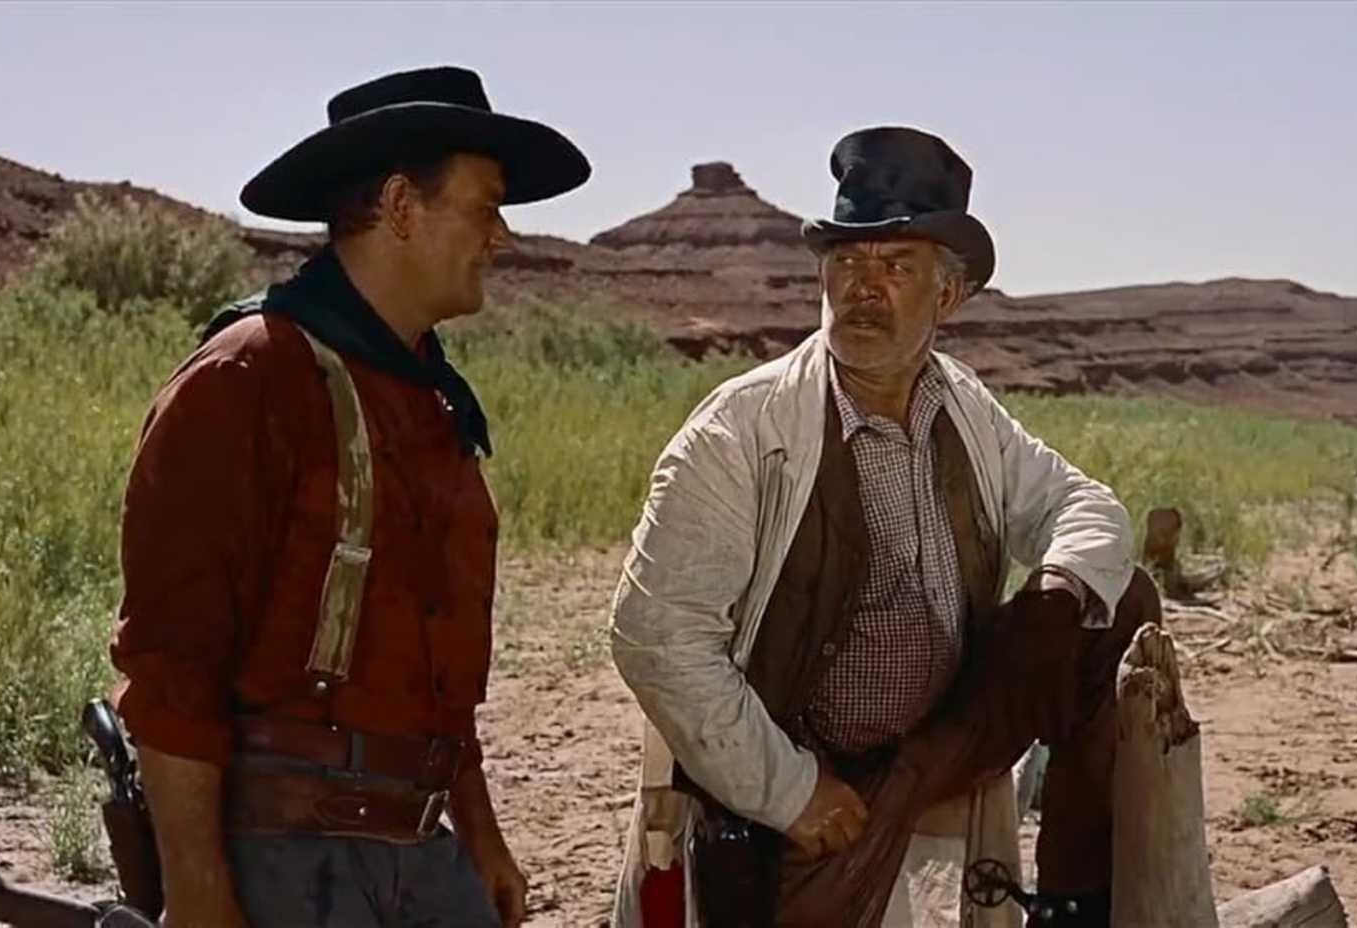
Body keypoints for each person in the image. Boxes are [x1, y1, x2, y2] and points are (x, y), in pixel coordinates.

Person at [609, 125, 1157, 927]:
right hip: (810, 765)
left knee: (1117, 601)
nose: (863, 289)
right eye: (846, 264)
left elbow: (1085, 504)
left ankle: (1071, 907)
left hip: (948, 731)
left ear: (946, 296)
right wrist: (790, 792)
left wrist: (1056, 590)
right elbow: (654, 635)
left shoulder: (963, 404)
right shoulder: (744, 430)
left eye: (895, 266)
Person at [108, 65, 589, 928]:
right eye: (485, 206)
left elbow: (436, 668)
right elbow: (171, 666)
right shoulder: (247, 378)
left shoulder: (430, 398)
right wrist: (199, 894)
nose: (504, 236)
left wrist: (478, 833)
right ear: (403, 206)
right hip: (289, 862)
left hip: (419, 852)